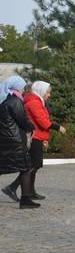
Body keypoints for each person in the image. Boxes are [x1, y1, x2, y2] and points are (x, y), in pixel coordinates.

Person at [3, 81, 66, 202]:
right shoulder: (34, 102)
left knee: (35, 165)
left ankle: (30, 192)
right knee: (32, 165)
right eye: (47, 92)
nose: (49, 95)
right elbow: (42, 121)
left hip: (38, 136)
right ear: (41, 91)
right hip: (34, 137)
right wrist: (57, 127)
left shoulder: (38, 101)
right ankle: (13, 188)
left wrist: (45, 138)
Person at [0, 76, 38, 208]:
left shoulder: (3, 99)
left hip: (4, 139)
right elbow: (22, 120)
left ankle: (25, 199)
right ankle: (25, 200)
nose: (23, 89)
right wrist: (31, 126)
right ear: (17, 87)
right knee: (25, 167)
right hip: (15, 141)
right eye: (22, 87)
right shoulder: (15, 101)